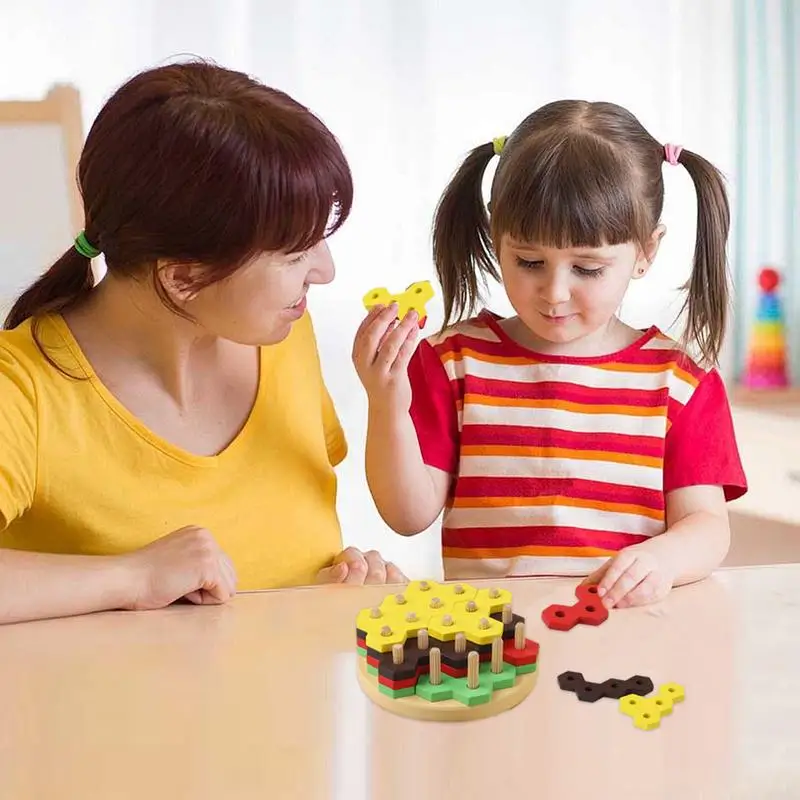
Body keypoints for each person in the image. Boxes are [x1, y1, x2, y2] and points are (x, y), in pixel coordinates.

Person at [0, 60, 405, 626]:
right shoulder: (22, 388)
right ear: (182, 277)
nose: (326, 272)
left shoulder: (285, 336)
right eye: (294, 254)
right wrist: (132, 577)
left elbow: (281, 564)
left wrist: (344, 587)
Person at [353, 99, 747, 609]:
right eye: (530, 261)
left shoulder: (681, 383)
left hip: (627, 642)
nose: (554, 291)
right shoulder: (453, 362)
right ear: (497, 239)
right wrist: (386, 402)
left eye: (587, 269)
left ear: (647, 251)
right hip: (491, 646)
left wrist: (664, 560)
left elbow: (708, 526)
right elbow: (407, 515)